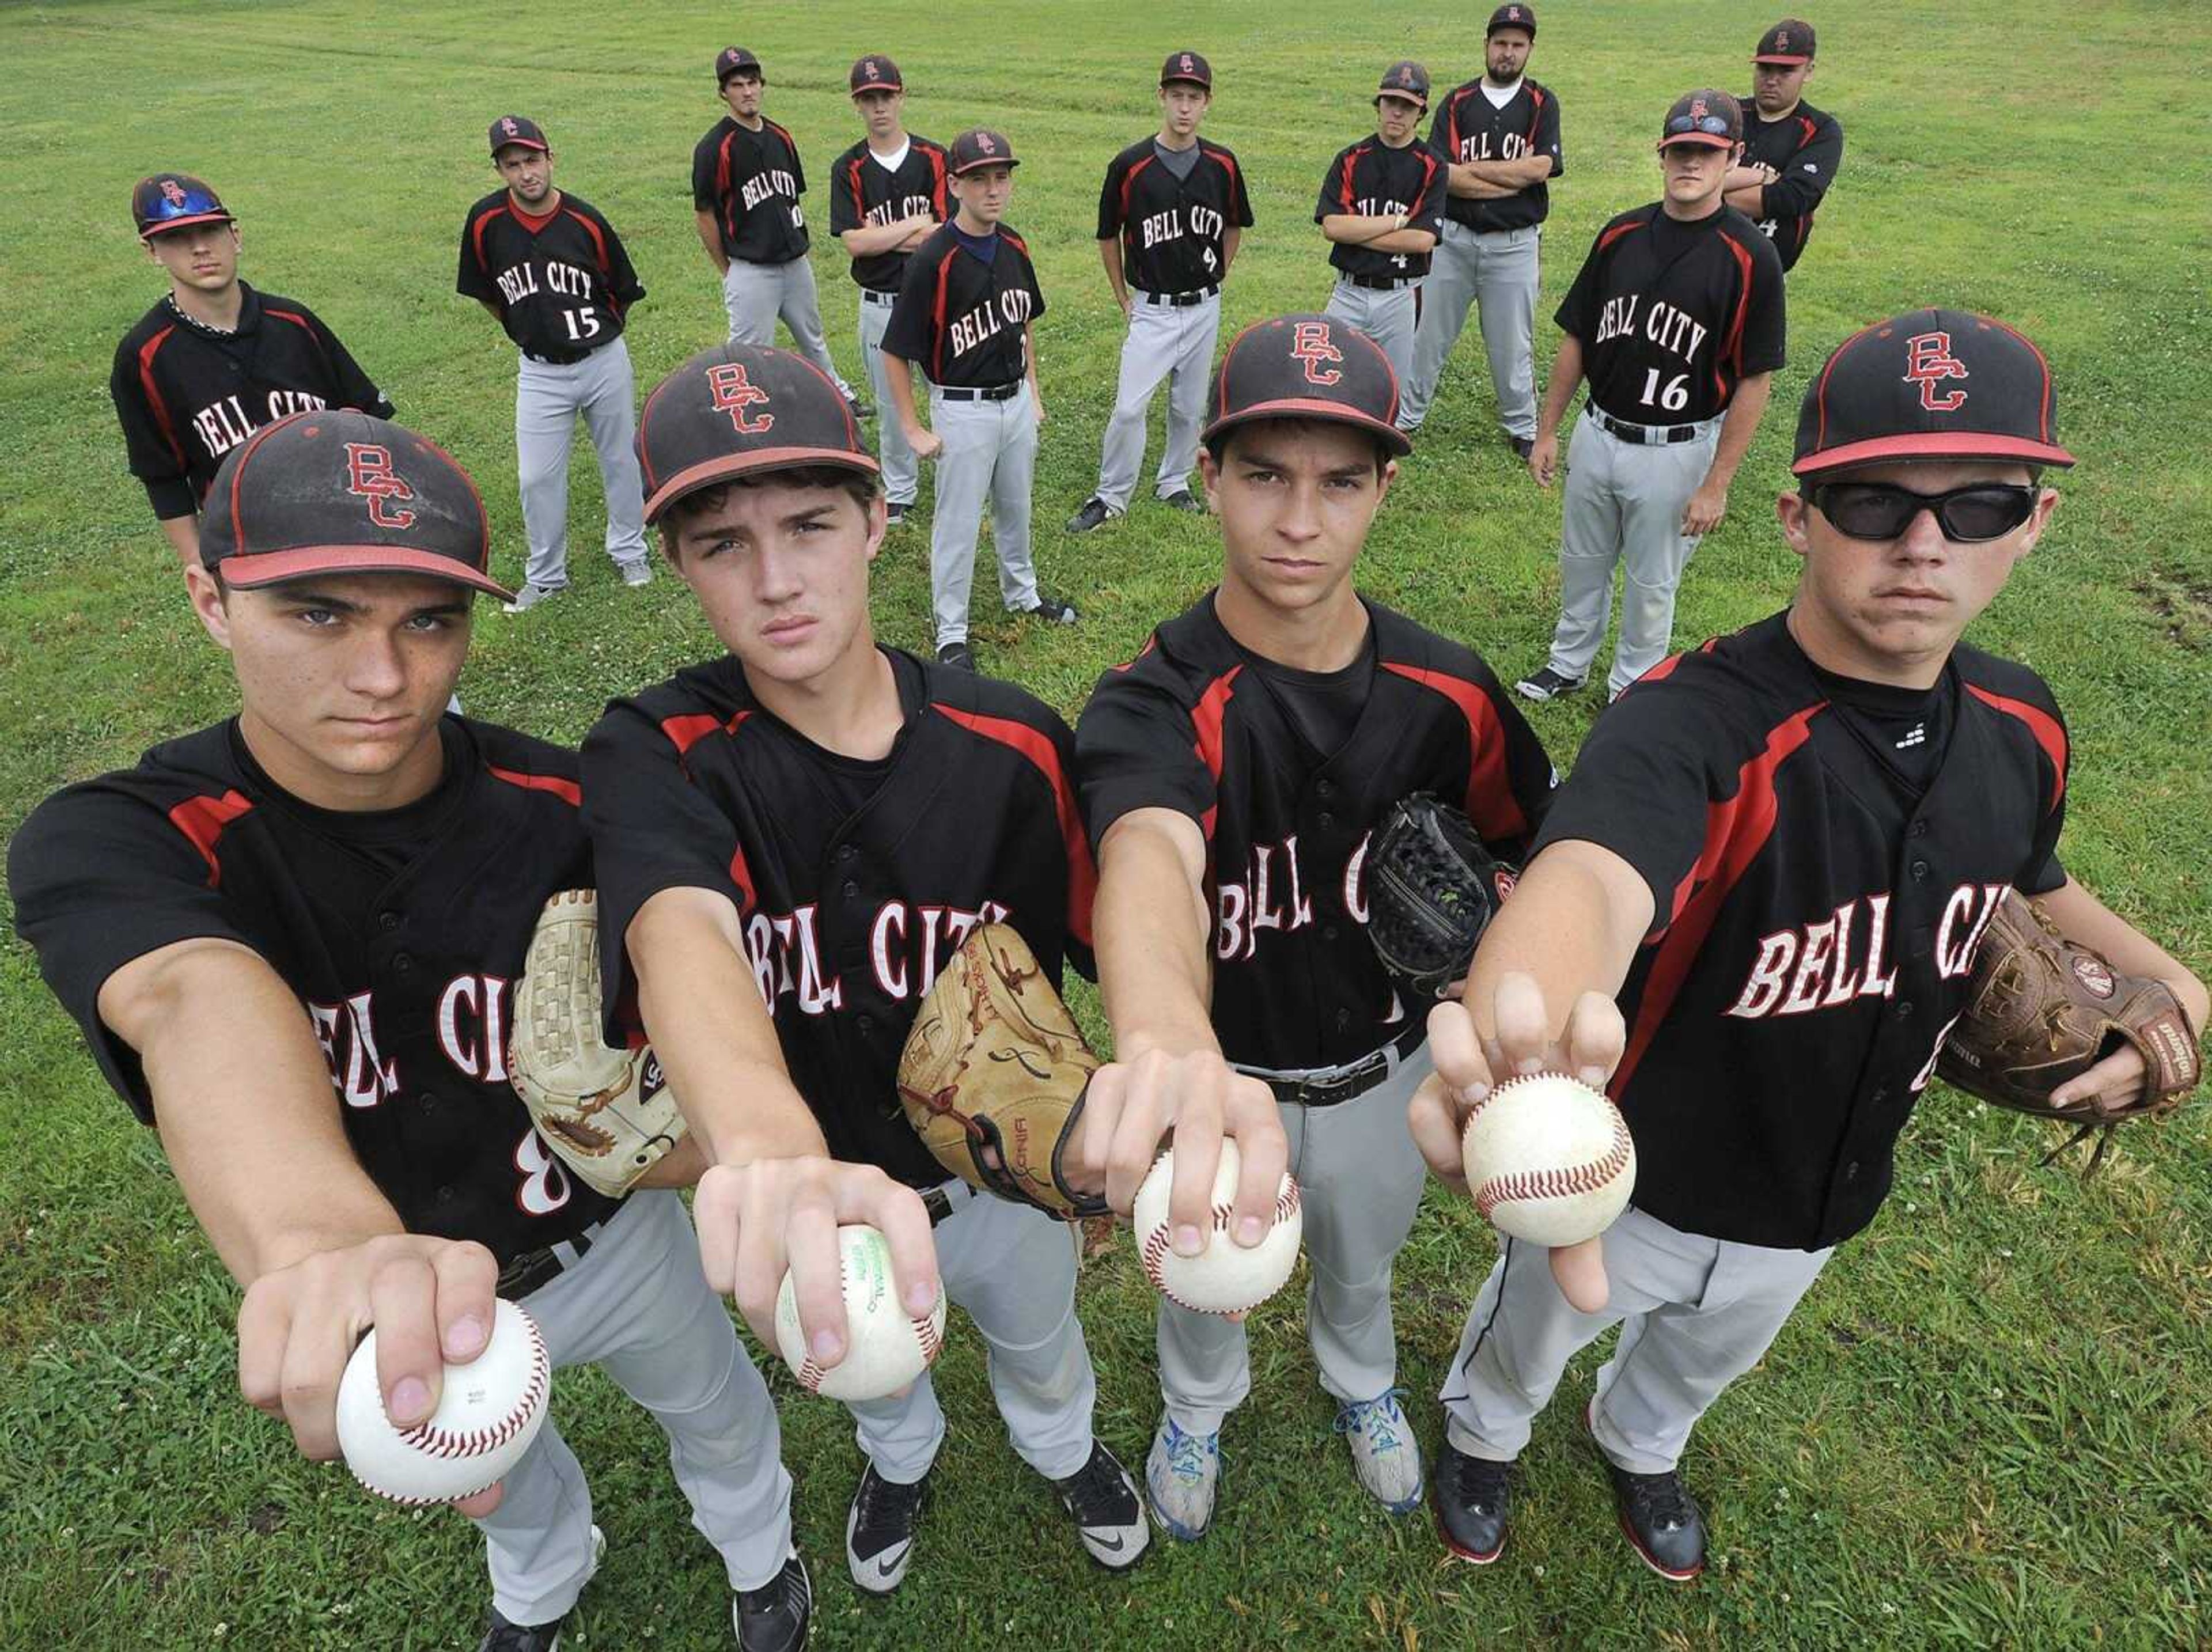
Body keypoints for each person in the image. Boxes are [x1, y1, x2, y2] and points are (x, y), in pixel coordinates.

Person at [1412, 310, 2210, 1583]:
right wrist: (1523, 1023)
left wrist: (2175, 986)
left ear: (2037, 523)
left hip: (1829, 1189)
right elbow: (1591, 880)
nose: (1924, 542)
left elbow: (2036, 879)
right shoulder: (1690, 730)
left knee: (1703, 1359)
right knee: (1532, 1333)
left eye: (1981, 505)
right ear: (1798, 516)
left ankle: (1641, 1439)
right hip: (1631, 1191)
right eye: (1876, 498)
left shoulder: (2023, 728)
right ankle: (1483, 1436)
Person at [7, 410, 813, 1652]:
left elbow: (694, 948)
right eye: (319, 613)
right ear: (211, 600)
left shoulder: (567, 808)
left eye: (427, 620)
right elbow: (191, 992)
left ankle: (759, 1549)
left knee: (713, 1406)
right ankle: (544, 1583)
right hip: (411, 1298)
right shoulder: (120, 836)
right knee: (501, 1475)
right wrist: (322, 1244)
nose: (384, 677)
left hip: (606, 1233)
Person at [581, 340, 1151, 1598]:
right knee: (870, 1375)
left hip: (997, 1181)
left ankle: (1063, 1448)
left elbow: (1127, 948)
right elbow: (679, 928)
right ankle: (903, 1456)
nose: (777, 578)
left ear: (878, 519)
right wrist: (770, 1148)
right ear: (674, 558)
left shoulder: (1009, 745)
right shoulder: (656, 750)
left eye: (809, 522)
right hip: (821, 1208)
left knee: (1042, 1342)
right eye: (722, 542)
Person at [1074, 314, 1556, 1540]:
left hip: (1382, 1074)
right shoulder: (1155, 698)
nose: (1300, 520)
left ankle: (1362, 1384)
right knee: (1206, 1273)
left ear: (1385, 489)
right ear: (1208, 474)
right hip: (1219, 1080)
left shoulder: (1449, 693)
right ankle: (1198, 1402)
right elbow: (1146, 859)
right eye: (1265, 476)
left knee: (1360, 1264)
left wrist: (1489, 932)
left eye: (1341, 482)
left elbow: (1528, 852)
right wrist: (1167, 1041)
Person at [1514, 90, 1786, 704]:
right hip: (1600, 428)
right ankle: (1568, 661)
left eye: (1706, 152)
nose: (1690, 164)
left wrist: (1718, 481)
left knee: (1652, 579)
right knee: (1582, 557)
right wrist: (1549, 428)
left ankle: (1633, 686)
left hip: (1677, 447)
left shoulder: (1750, 257)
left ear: (1732, 158)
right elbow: (1578, 336)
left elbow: (1754, 379)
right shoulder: (1622, 234)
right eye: (1680, 151)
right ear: (1662, 155)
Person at [109, 172, 392, 574]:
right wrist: (201, 568)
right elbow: (163, 478)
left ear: (236, 236)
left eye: (210, 230)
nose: (200, 248)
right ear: (152, 251)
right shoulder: (145, 356)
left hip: (342, 524)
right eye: (176, 238)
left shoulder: (294, 323)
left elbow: (370, 425)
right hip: (246, 548)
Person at [879, 127, 1078, 673]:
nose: (992, 189)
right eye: (978, 179)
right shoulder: (933, 259)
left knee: (1016, 507)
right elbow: (895, 351)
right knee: (959, 522)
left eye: (1001, 177)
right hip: (962, 408)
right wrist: (912, 428)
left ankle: (1023, 594)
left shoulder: (1014, 245)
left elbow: (1025, 323)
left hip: (1014, 404)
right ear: (954, 185)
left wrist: (1034, 392)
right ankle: (951, 633)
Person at [457, 116, 652, 613]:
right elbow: (487, 293)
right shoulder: (485, 223)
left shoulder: (585, 221)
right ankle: (546, 576)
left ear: (551, 158)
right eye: (513, 164)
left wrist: (594, 336)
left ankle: (630, 550)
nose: (526, 173)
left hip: (603, 359)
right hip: (540, 371)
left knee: (620, 460)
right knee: (536, 477)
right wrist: (529, 332)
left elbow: (622, 292)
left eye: (533, 160)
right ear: (500, 169)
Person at [1066, 51, 1255, 535]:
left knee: (1189, 406)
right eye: (1176, 96)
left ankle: (1174, 481)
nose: (1185, 107)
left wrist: (1220, 275)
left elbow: (1233, 225)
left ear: (1207, 102)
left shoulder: (1222, 164)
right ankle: (1111, 496)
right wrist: (1122, 296)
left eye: (1194, 97)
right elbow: (1109, 235)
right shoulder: (1130, 166)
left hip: (1203, 305)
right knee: (1130, 406)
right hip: (1151, 306)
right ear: (1161, 98)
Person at [1397, 5, 1562, 452]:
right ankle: (1406, 419)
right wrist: (1514, 175)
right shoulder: (1457, 102)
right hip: (1451, 240)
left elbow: (1544, 167)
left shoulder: (1543, 102)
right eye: (1501, 43)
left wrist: (1480, 174)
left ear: (1529, 49)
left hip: (1514, 246)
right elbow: (1441, 175)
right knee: (1427, 336)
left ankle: (1523, 429)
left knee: (1513, 345)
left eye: (1517, 44)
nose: (1508, 53)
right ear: (1486, 44)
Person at [692, 45, 862, 414]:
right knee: (748, 351)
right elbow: (705, 214)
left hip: (795, 263)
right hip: (751, 269)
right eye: (737, 85)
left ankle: (836, 396)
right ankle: (741, 413)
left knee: (813, 338)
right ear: (724, 92)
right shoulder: (714, 147)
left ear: (762, 85)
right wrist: (729, 269)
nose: (747, 91)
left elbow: (791, 199)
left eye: (752, 82)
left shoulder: (781, 137)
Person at [828, 55, 949, 531]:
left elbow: (944, 234)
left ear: (901, 97)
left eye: (886, 96)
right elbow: (854, 243)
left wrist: (886, 235)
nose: (879, 106)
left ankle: (954, 470)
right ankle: (900, 490)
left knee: (945, 390)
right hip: (880, 302)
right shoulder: (850, 167)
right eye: (869, 99)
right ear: (858, 105)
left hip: (934, 300)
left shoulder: (935, 158)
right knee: (889, 397)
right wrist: (913, 226)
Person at [1316, 62, 1446, 389]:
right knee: (1329, 382)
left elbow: (1421, 241)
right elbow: (1332, 227)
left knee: (1391, 391)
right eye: (1391, 102)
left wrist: (1358, 233)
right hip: (1347, 292)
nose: (1397, 113)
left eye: (1408, 106)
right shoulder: (1350, 159)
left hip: (1400, 297)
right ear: (1379, 105)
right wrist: (1392, 223)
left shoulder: (1432, 167)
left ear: (1421, 112)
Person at [1724, 19, 1845, 274]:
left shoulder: (1821, 130)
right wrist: (1764, 177)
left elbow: (1793, 198)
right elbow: (1684, 172)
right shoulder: (1728, 114)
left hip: (1765, 269)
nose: (1772, 80)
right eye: (1765, 69)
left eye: (1785, 71)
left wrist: (1711, 194)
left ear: (1809, 71)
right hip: (1706, 253)